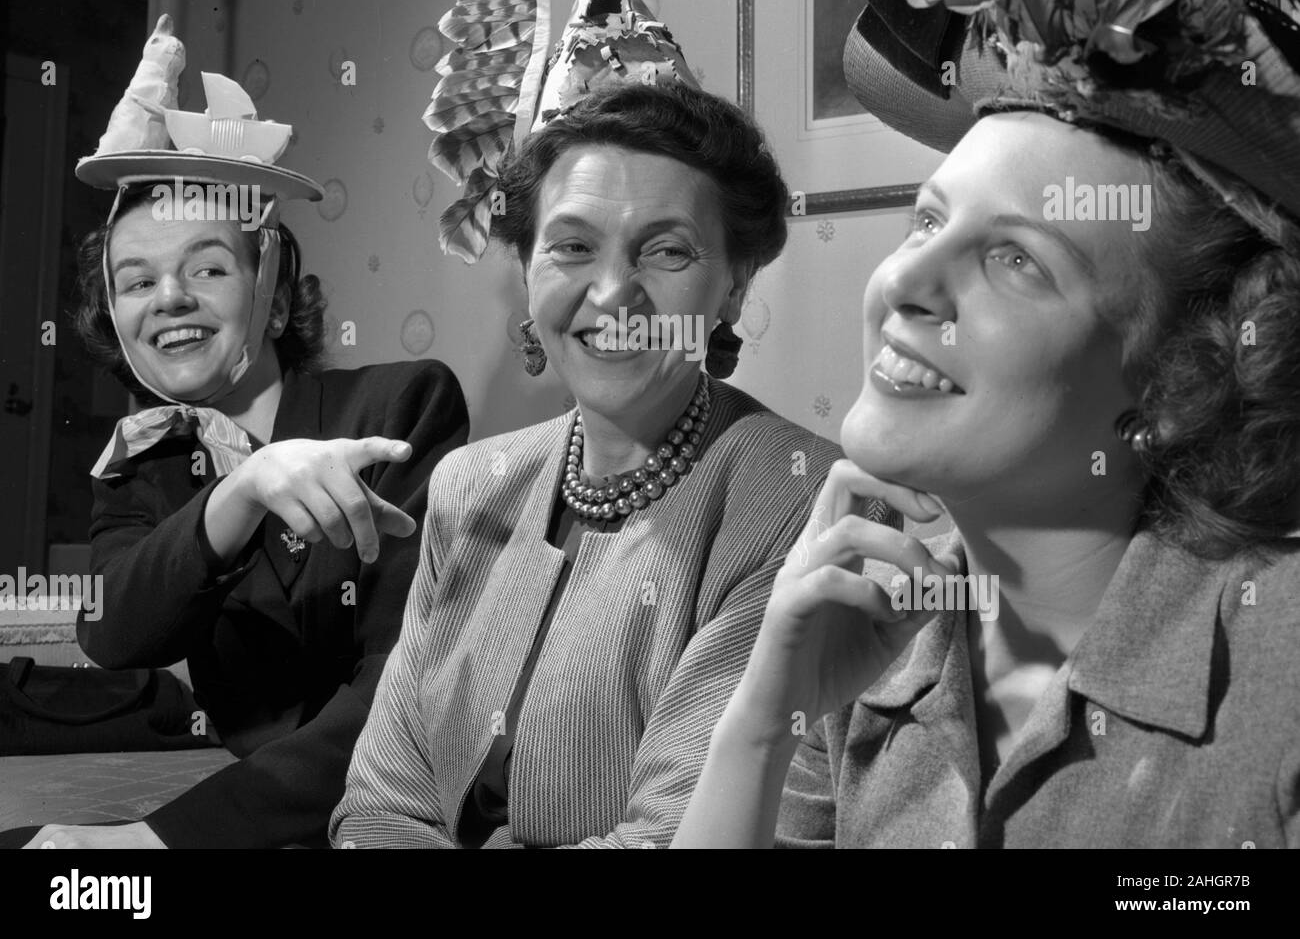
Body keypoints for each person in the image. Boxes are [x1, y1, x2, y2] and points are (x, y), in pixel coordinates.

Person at [674, 0, 1300, 848]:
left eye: (1014, 260)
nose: (906, 288)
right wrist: (760, 715)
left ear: (1185, 378)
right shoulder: (865, 633)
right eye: (927, 224)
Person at [330, 82, 897, 848]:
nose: (611, 293)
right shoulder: (469, 485)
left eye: (666, 251)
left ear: (733, 287)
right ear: (527, 270)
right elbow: (374, 810)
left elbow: (676, 837)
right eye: (571, 246)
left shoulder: (802, 502)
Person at [16, 156, 469, 848]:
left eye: (207, 268)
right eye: (137, 281)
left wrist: (161, 839)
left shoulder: (401, 404)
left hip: (388, 813)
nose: (169, 297)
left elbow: (404, 692)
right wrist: (241, 491)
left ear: (276, 300)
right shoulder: (140, 471)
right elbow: (113, 635)